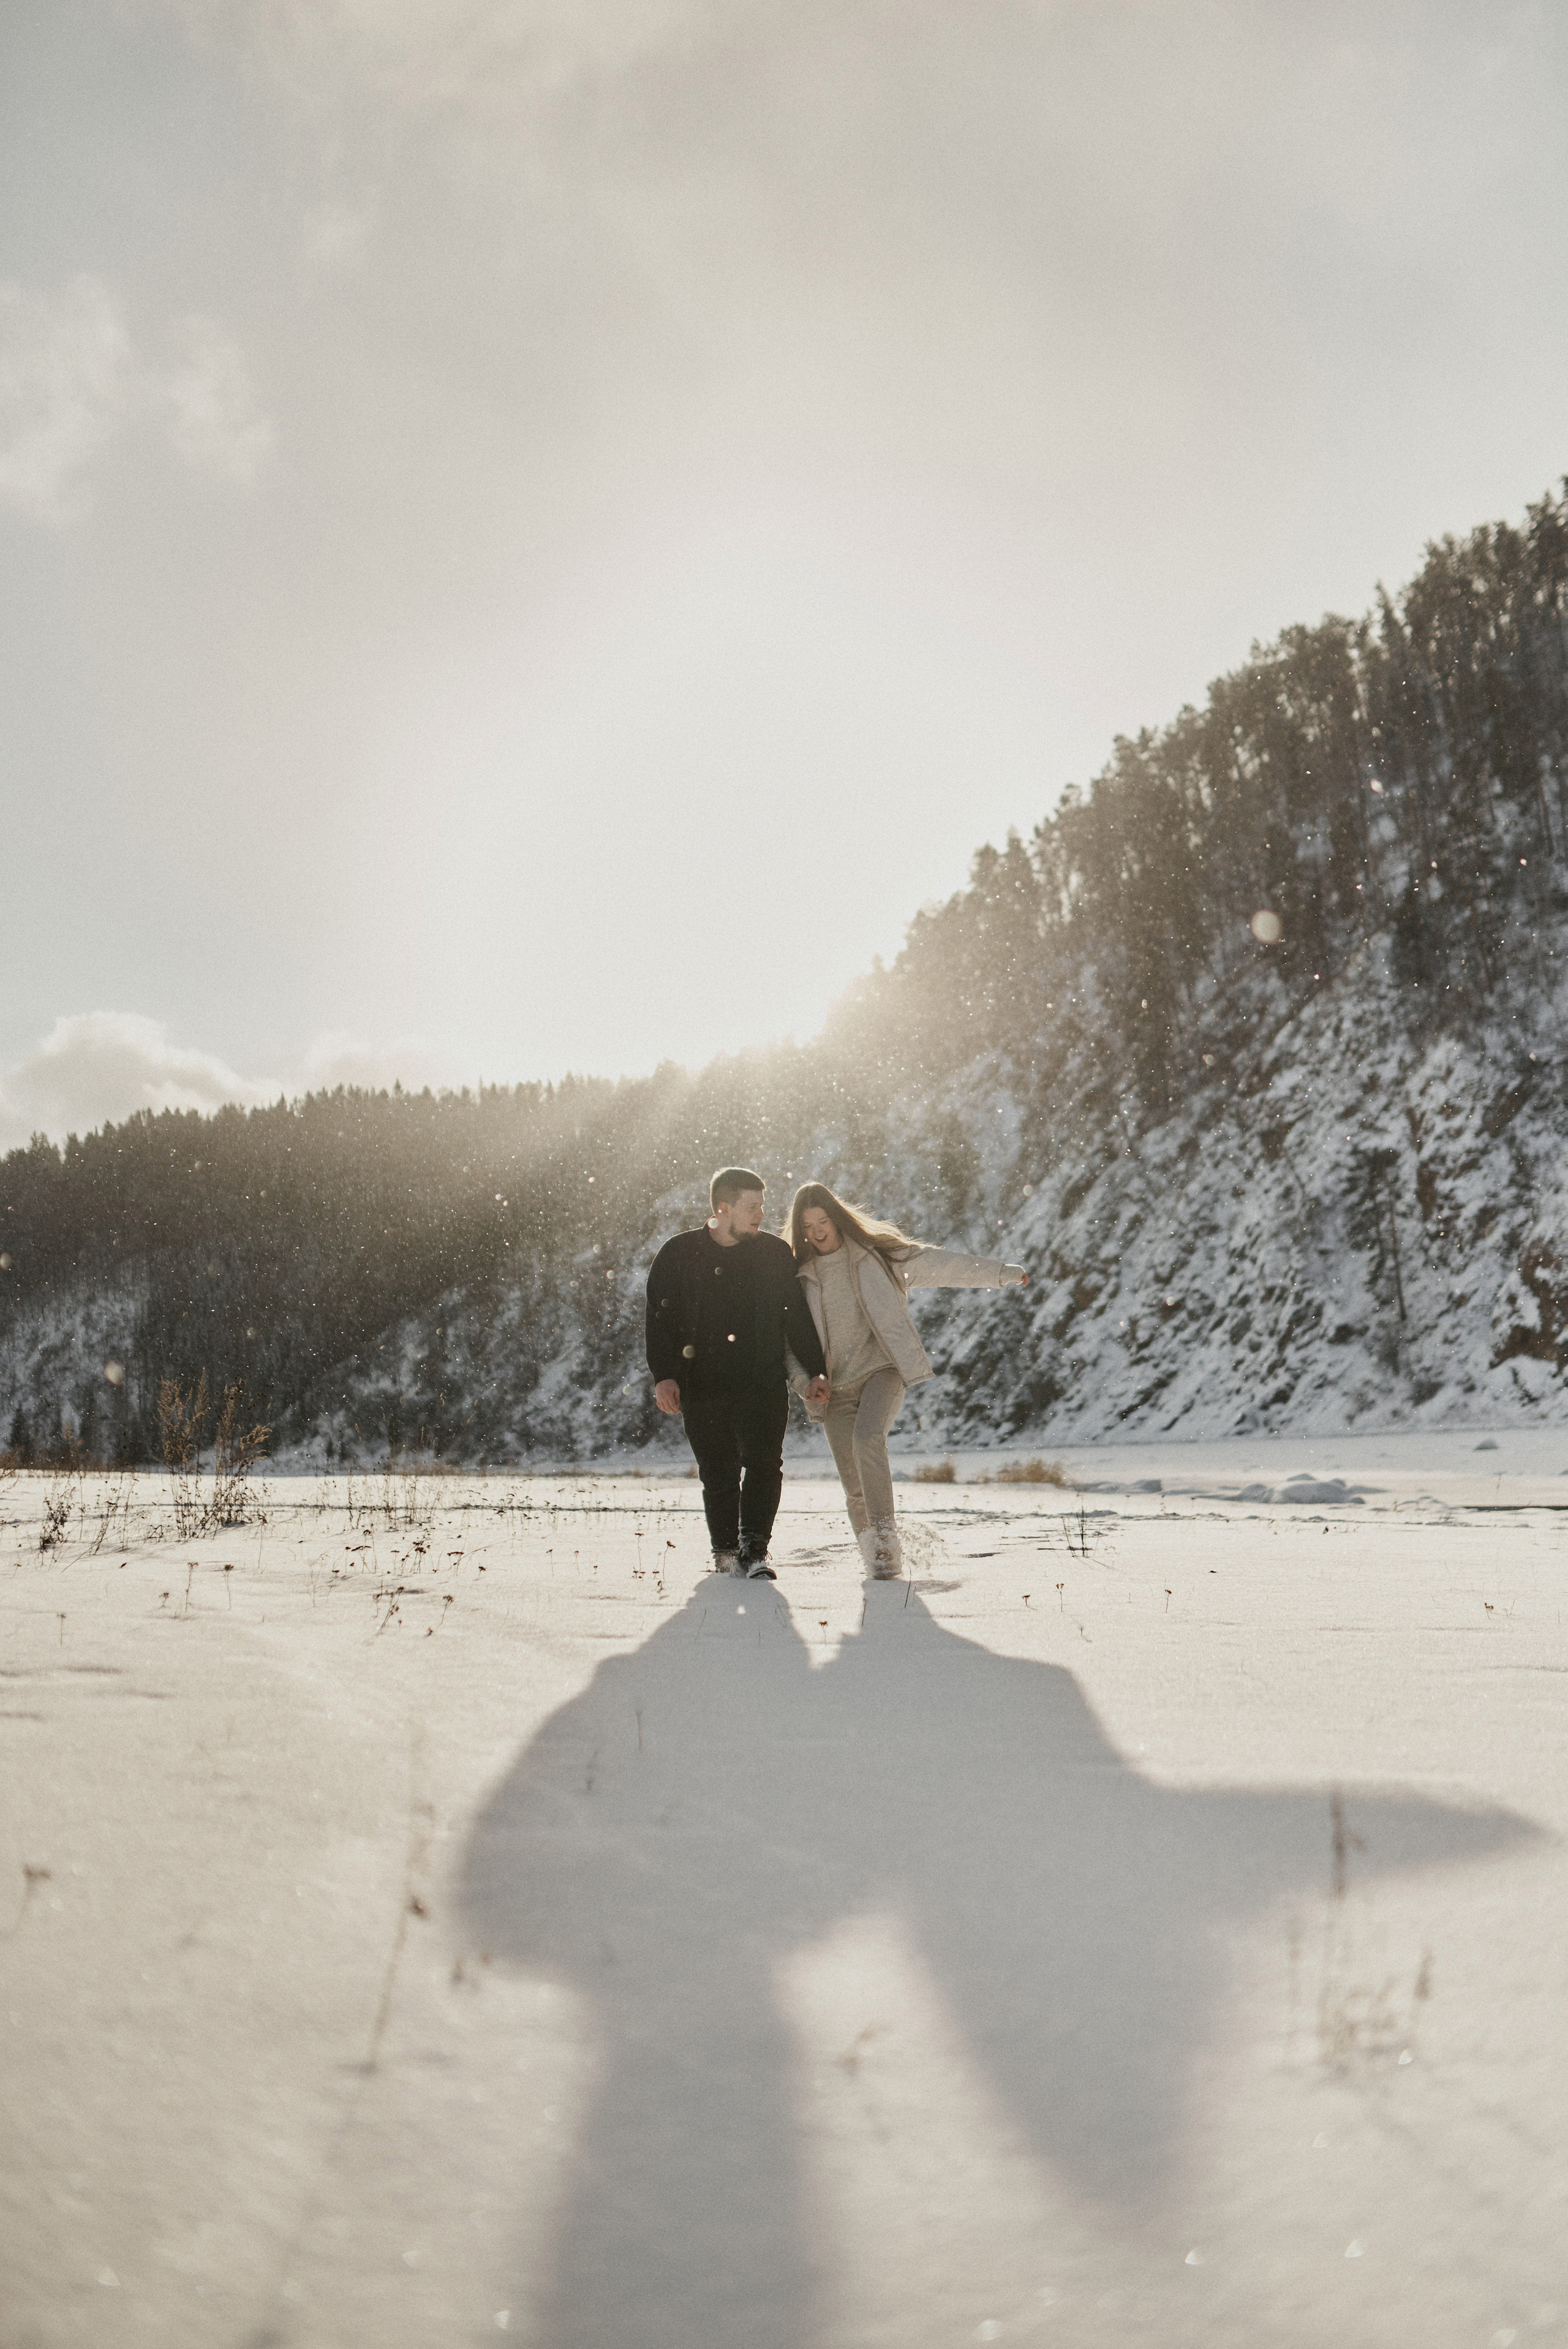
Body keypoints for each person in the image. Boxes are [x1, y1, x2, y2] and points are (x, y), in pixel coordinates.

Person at [785, 1181, 1026, 1577]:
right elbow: (789, 1346)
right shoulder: (799, 1277)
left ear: (837, 1218)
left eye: (824, 1221)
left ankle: (884, 1541)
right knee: (854, 1484)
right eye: (808, 1226)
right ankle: (878, 1564)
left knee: (868, 1438)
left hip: (883, 1369)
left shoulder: (878, 1254)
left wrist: (1001, 1274)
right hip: (834, 1391)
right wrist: (803, 1382)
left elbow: (939, 1265)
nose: (818, 1232)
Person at [647, 1167, 830, 1578]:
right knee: (719, 1473)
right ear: (723, 1208)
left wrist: (816, 1369)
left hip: (762, 1382)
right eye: (752, 1207)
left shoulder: (774, 1253)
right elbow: (660, 1321)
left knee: (766, 1465)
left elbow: (796, 1317)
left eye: (762, 1206)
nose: (760, 1215)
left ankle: (756, 1549)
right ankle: (726, 1552)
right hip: (702, 1385)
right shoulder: (678, 1254)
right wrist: (664, 1375)